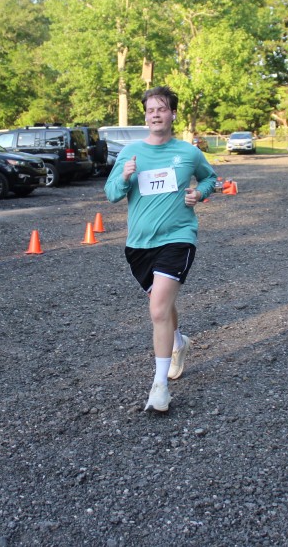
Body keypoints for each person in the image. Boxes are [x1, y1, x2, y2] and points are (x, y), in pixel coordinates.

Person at [104, 86, 218, 412]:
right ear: (146, 116)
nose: (156, 114)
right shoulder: (130, 153)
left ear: (173, 114)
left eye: (162, 109)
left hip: (178, 237)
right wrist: (124, 177)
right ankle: (179, 342)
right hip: (139, 244)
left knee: (157, 310)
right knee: (162, 305)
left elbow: (210, 179)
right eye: (151, 110)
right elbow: (111, 193)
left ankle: (160, 388)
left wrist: (200, 194)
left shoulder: (188, 153)